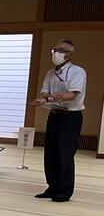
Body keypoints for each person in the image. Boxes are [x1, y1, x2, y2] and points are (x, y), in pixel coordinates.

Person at [32, 38, 87, 203]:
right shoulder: (50, 73)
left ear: (69, 54)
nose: (56, 53)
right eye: (54, 50)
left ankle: (64, 191)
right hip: (54, 115)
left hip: (70, 117)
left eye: (61, 50)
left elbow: (72, 94)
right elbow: (43, 93)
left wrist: (48, 98)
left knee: (65, 154)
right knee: (50, 153)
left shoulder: (78, 71)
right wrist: (47, 98)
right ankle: (52, 187)